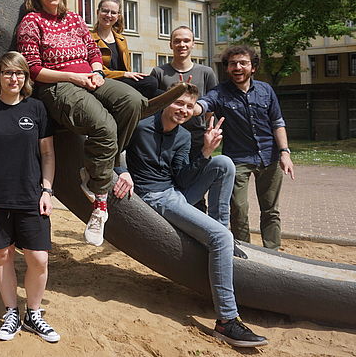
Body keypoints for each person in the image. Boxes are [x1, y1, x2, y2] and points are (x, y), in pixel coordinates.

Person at [16, 0, 186, 246]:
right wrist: (75, 77)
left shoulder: (74, 19)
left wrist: (96, 72)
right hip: (58, 85)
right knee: (104, 125)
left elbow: (93, 51)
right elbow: (33, 69)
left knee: (133, 102)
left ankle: (97, 165)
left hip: (90, 77)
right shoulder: (31, 22)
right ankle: (99, 204)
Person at [119, 84, 268, 348]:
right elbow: (112, 146)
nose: (184, 110)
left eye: (189, 107)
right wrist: (123, 171)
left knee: (224, 164)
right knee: (219, 238)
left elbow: (183, 178)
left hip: (174, 191)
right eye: (179, 103)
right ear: (166, 101)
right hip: (154, 197)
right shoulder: (140, 126)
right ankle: (226, 320)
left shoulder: (183, 136)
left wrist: (206, 152)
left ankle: (222, 234)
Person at [0, 52, 59, 343]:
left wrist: (47, 191)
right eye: (7, 72)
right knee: (2, 255)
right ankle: (11, 312)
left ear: (26, 77)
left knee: (39, 258)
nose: (13, 78)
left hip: (31, 195)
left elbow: (47, 153)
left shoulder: (37, 108)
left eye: (19, 73)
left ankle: (33, 313)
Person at [195, 45, 295, 250]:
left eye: (243, 63)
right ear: (227, 68)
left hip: (269, 156)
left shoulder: (266, 90)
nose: (238, 67)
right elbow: (203, 105)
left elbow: (277, 123)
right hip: (238, 159)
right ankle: (246, 252)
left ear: (253, 67)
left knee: (270, 210)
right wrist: (188, 104)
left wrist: (285, 152)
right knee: (239, 209)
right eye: (233, 64)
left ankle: (273, 252)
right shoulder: (219, 93)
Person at [151, 26, 218, 161]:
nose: (182, 45)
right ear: (171, 44)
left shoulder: (206, 72)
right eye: (177, 41)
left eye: (186, 41)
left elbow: (212, 104)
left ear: (193, 44)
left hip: (197, 137)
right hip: (166, 137)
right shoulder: (159, 72)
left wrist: (199, 120)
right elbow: (154, 105)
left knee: (196, 171)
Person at [90, 0, 161, 98]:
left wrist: (129, 74)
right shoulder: (89, 39)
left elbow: (127, 67)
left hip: (124, 81)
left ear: (118, 16)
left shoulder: (121, 40)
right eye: (105, 11)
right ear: (98, 12)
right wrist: (123, 74)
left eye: (113, 12)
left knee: (163, 94)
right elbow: (93, 70)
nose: (109, 15)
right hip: (106, 81)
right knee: (151, 82)